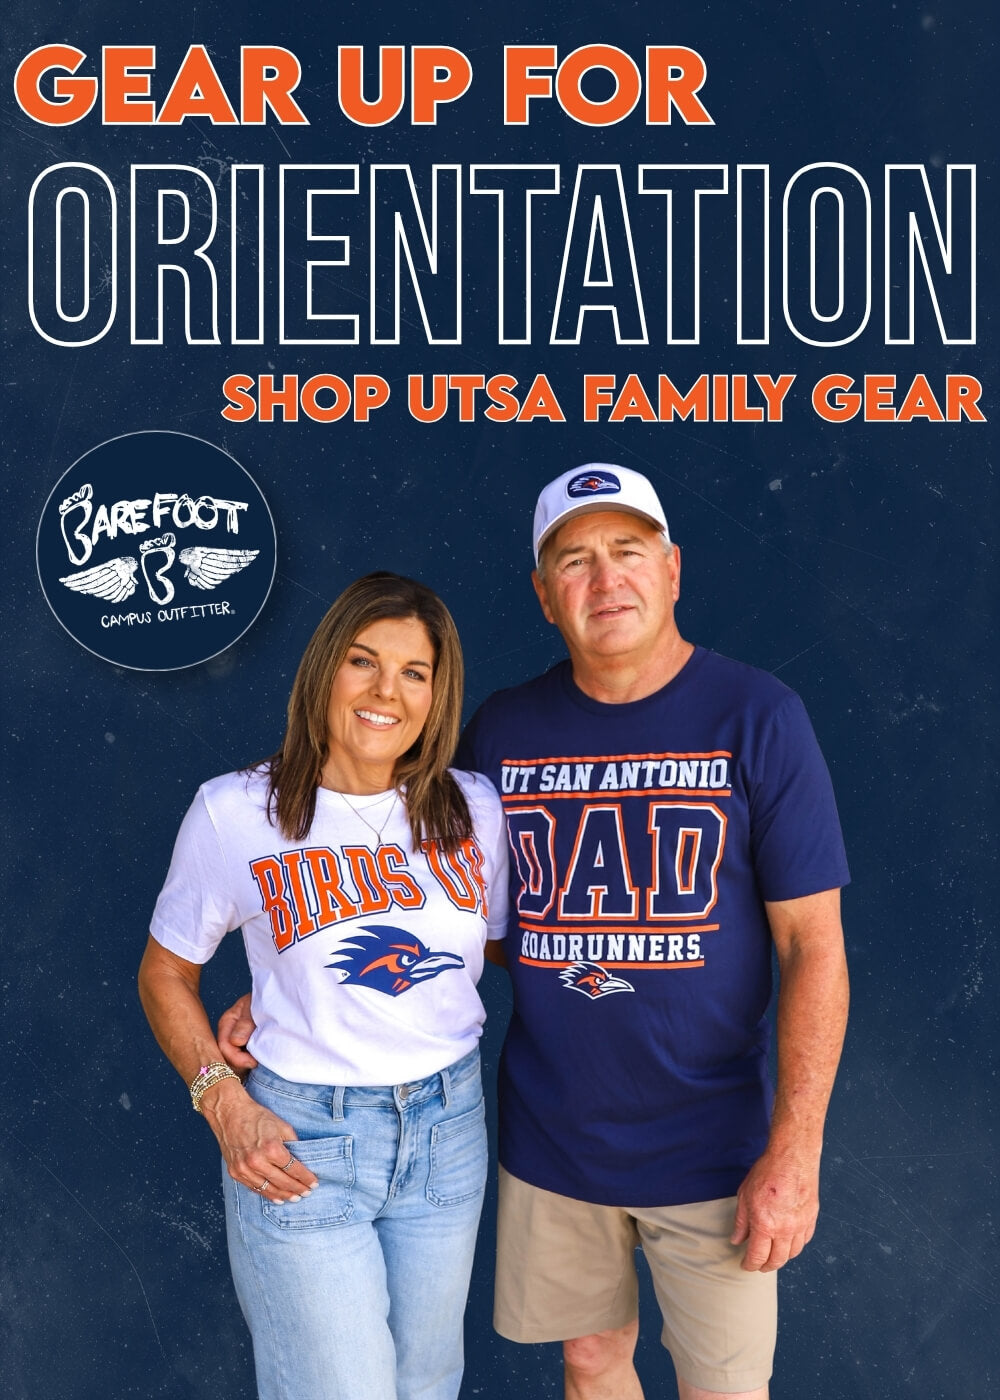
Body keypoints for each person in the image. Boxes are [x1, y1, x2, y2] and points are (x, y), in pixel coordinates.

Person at [221, 466, 850, 1400]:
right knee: (591, 1364)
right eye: (576, 560)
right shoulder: (505, 734)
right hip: (553, 1140)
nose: (606, 580)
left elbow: (814, 948)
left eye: (628, 553)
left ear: (672, 570)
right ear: (544, 594)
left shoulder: (759, 717)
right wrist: (296, 982)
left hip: (715, 1145)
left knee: (725, 1387)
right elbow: (443, 908)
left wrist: (795, 1154)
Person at [138, 571, 509, 1400]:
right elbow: (165, 971)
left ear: (437, 694)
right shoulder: (236, 812)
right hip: (303, 1140)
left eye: (415, 672)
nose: (387, 692)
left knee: (425, 1386)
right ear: (323, 674)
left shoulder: (474, 810)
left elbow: (479, 954)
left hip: (448, 1131)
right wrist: (220, 1099)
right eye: (362, 661)